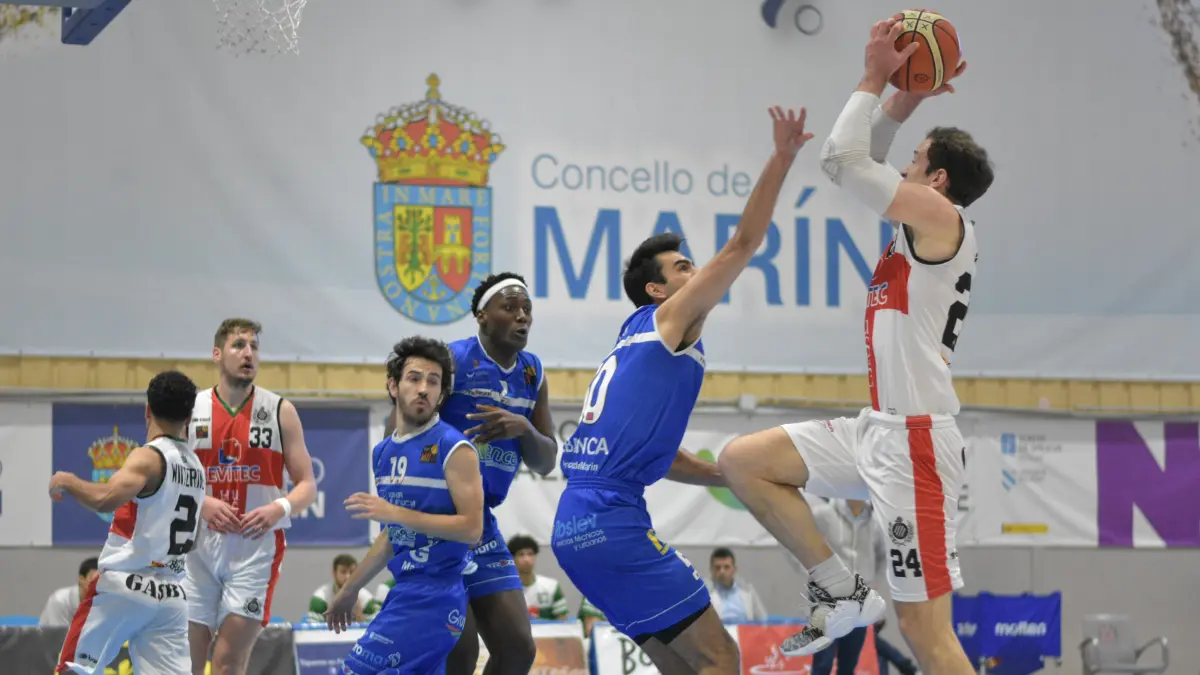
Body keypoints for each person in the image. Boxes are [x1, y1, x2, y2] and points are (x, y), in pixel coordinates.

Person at [717, 18, 993, 675]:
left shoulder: (942, 219)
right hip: (879, 430)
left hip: (917, 443)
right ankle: (839, 588)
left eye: (916, 161)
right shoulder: (920, 226)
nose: (903, 166)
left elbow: (843, 158)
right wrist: (908, 95)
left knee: (926, 633)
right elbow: (865, 150)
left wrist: (873, 76)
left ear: (939, 180)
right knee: (743, 461)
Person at [549, 105, 816, 675]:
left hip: (572, 526)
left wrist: (730, 474)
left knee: (682, 666)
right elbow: (743, 243)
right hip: (611, 518)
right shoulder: (670, 321)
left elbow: (663, 457)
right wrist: (782, 158)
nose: (698, 274)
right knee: (721, 656)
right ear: (657, 290)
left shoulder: (632, 340)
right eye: (684, 267)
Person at [382, 271, 557, 675]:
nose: (522, 316)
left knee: (518, 649)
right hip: (433, 519)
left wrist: (523, 428)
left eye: (526, 309)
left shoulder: (533, 373)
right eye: (509, 307)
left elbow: (546, 461)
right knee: (458, 653)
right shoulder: (452, 361)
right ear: (482, 316)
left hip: (479, 523)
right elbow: (399, 428)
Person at [325, 336, 485, 675]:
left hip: (436, 597)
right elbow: (391, 536)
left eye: (433, 381)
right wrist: (350, 589)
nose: (423, 388)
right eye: (414, 378)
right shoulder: (383, 453)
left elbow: (472, 529)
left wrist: (396, 514)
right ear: (394, 386)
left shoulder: (454, 448)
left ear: (441, 394)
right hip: (406, 591)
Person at [185, 318, 319, 675]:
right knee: (186, 664)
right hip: (196, 548)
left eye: (254, 346)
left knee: (228, 663)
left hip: (254, 549)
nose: (248, 353)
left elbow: (307, 484)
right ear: (217, 354)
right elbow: (165, 477)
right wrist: (201, 503)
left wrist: (279, 507)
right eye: (238, 345)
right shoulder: (191, 409)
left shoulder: (279, 410)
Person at [49, 370, 205, 675]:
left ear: (147, 410)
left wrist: (67, 480)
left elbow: (105, 498)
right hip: (172, 595)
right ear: (189, 417)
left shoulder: (149, 457)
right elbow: (195, 539)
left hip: (126, 584)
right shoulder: (197, 467)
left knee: (73, 669)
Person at [306, 554, 381, 624]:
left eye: (352, 572)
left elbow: (375, 628)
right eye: (343, 572)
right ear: (334, 574)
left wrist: (359, 613)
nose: (347, 576)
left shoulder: (366, 599)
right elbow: (313, 630)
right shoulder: (321, 599)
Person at [705, 548, 768, 623]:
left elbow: (763, 620)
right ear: (711, 570)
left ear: (734, 569)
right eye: (717, 568)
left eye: (726, 567)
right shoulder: (705, 594)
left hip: (745, 629)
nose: (722, 571)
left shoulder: (748, 591)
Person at [40, 557, 99, 628]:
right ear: (82, 579)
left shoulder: (103, 601)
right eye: (95, 580)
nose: (100, 585)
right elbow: (59, 634)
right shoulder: (60, 601)